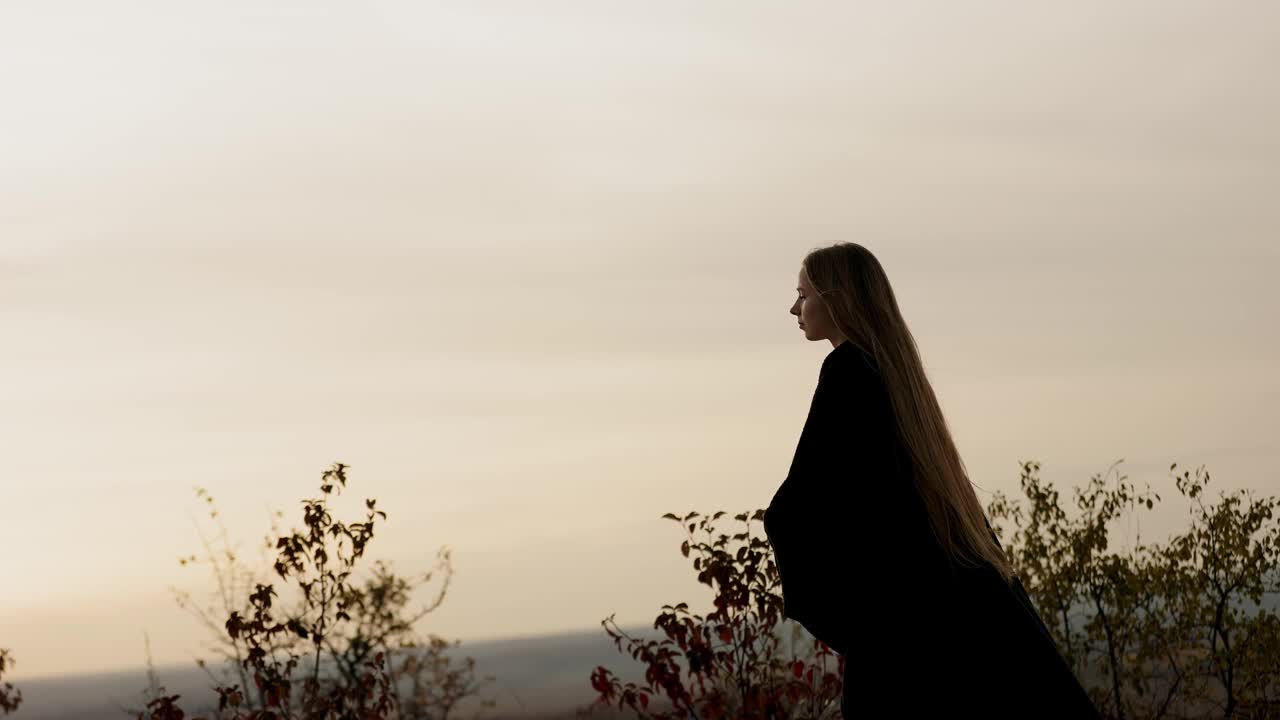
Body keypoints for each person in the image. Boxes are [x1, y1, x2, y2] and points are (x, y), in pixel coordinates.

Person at [762, 243, 1101, 718]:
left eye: (803, 294)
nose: (795, 308)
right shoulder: (894, 376)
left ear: (835, 299)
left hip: (903, 630)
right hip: (950, 614)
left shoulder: (847, 372)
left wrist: (856, 623)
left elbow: (797, 511)